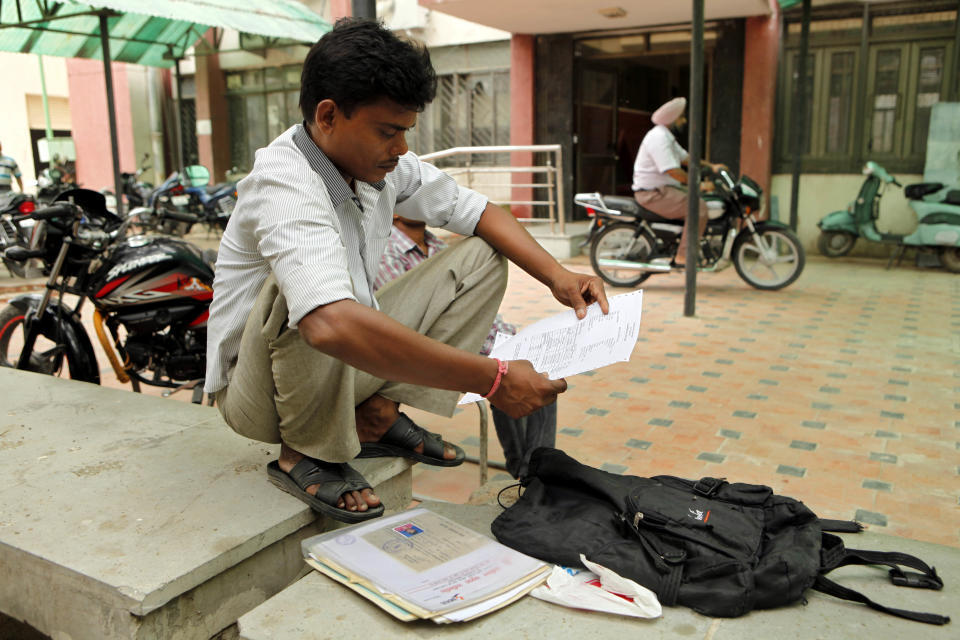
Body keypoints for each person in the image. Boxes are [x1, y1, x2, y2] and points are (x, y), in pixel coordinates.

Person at [204, 19, 607, 524]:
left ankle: (378, 410)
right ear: (328, 115)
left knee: (481, 255)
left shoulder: (381, 168)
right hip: (259, 395)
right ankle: (303, 454)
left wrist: (557, 276)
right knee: (310, 297)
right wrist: (494, 378)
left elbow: (480, 211)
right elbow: (328, 325)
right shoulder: (285, 182)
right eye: (388, 131)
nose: (400, 148)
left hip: (336, 370)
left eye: (405, 132)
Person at [374, 215, 557, 480]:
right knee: (509, 373)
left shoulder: (437, 246)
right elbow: (413, 325)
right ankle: (531, 472)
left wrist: (511, 340)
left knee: (540, 368)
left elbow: (480, 308)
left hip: (483, 342)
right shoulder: (386, 252)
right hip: (440, 351)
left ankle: (534, 470)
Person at [631, 97, 724, 266]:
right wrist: (699, 185)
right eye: (681, 117)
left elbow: (687, 158)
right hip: (653, 193)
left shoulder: (666, 137)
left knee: (706, 200)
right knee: (699, 208)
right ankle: (684, 255)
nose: (684, 120)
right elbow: (672, 170)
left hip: (664, 190)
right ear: (673, 119)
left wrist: (712, 167)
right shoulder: (658, 138)